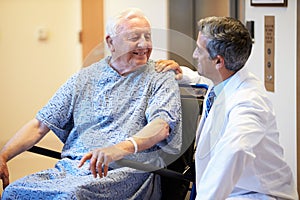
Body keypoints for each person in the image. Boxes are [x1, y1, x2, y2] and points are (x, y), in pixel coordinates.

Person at [0, 8, 182, 199]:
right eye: (134, 37)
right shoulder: (86, 78)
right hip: (73, 168)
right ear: (111, 42)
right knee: (14, 192)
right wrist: (4, 156)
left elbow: (161, 127)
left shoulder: (160, 76)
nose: (144, 44)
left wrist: (117, 150)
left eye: (148, 36)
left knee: (70, 196)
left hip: (126, 170)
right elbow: (40, 124)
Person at [156, 16, 298, 199]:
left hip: (255, 194)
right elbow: (208, 85)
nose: (194, 55)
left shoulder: (249, 103)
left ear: (218, 61)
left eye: (199, 50)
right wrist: (183, 75)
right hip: (232, 190)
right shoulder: (226, 80)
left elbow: (235, 150)